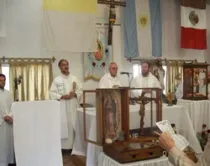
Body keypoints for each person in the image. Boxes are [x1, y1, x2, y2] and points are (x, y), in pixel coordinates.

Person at [49, 59, 82, 152]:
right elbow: (52, 93)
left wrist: (74, 94)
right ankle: (64, 148)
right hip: (63, 106)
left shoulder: (74, 78)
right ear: (59, 67)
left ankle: (75, 147)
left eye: (67, 64)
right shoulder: (57, 80)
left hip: (73, 105)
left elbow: (80, 90)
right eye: (63, 65)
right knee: (65, 125)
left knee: (74, 124)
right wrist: (62, 96)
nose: (66, 66)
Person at [0, 74, 14, 166]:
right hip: (1, 122)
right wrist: (3, 116)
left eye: (4, 80)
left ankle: (9, 161)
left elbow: (12, 106)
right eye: (1, 80)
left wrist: (9, 116)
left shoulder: (8, 93)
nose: (3, 82)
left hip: (8, 122)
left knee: (8, 144)